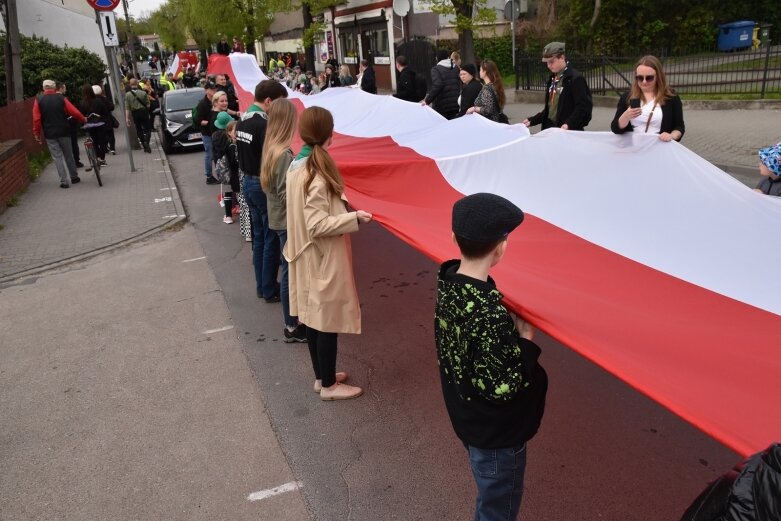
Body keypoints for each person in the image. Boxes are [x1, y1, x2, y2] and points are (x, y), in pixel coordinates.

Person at [435, 192, 548, 521]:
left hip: (467, 418)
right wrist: (525, 340)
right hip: (495, 435)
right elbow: (503, 387)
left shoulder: (449, 284)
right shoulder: (488, 313)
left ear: (454, 238)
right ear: (501, 247)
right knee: (497, 506)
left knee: (491, 493)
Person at [284, 106, 373, 400]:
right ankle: (330, 387)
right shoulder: (316, 173)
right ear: (328, 134)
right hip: (320, 255)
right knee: (326, 321)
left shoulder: (297, 165)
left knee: (313, 318)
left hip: (304, 253)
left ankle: (322, 377)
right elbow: (318, 224)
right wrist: (354, 217)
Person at [236, 80, 288, 302]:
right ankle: (268, 288)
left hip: (247, 180)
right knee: (270, 239)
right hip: (261, 183)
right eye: (278, 103)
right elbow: (271, 158)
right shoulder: (263, 124)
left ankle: (261, 284)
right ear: (268, 101)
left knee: (258, 238)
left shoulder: (243, 120)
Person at [260, 99, 307, 343]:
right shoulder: (284, 155)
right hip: (287, 221)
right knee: (290, 272)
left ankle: (292, 321)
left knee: (287, 268)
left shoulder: (272, 149)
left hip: (278, 219)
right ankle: (291, 325)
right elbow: (285, 193)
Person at [610, 55, 685, 142]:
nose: (644, 81)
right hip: (632, 150)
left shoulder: (671, 97)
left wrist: (671, 136)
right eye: (640, 78)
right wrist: (625, 116)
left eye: (649, 78)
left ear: (658, 77)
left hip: (659, 148)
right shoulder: (627, 97)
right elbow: (615, 129)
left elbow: (679, 127)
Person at [523, 42, 592, 131]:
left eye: (551, 62)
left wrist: (569, 124)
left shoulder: (575, 79)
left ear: (562, 57)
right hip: (551, 128)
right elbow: (550, 109)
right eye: (547, 63)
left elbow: (582, 108)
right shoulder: (553, 78)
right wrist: (532, 120)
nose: (548, 66)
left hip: (568, 131)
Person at [32, 79, 86, 188]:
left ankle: (64, 181)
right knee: (68, 155)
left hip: (50, 133)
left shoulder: (39, 100)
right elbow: (73, 111)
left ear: (43, 88)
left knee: (57, 157)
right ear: (54, 88)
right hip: (64, 131)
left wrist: (36, 134)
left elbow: (36, 119)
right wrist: (83, 119)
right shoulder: (61, 98)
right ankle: (74, 177)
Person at [212, 112, 240, 223]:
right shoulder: (230, 141)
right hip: (233, 169)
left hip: (223, 169)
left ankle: (228, 216)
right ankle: (238, 207)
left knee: (227, 192)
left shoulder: (215, 136)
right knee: (237, 190)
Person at [423, 49, 461, 120]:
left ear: (437, 58)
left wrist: (427, 101)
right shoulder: (456, 68)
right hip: (455, 105)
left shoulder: (436, 69)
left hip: (442, 107)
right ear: (448, 57)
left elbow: (438, 85)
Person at [80, 84, 111, 165]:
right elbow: (105, 113)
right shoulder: (98, 101)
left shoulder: (82, 103)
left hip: (89, 126)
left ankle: (97, 157)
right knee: (102, 141)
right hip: (100, 124)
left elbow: (81, 115)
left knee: (94, 142)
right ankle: (102, 158)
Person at [56, 81, 84, 168]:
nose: (65, 89)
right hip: (69, 123)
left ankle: (67, 164)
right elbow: (73, 111)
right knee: (73, 143)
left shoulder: (50, 99)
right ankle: (76, 161)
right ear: (60, 88)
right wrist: (81, 119)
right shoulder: (63, 99)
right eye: (64, 88)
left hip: (58, 126)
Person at [194, 81, 218, 184]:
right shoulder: (202, 104)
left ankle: (221, 174)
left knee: (217, 154)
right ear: (206, 90)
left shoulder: (215, 101)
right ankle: (209, 176)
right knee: (209, 154)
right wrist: (211, 123)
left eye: (215, 89)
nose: (214, 91)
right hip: (207, 134)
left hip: (216, 133)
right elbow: (199, 121)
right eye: (212, 89)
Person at [124, 77, 152, 153]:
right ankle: (147, 142)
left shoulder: (127, 95)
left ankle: (143, 143)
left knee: (139, 129)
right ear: (137, 84)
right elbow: (148, 105)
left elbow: (127, 108)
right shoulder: (143, 93)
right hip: (143, 112)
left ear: (130, 85)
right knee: (147, 129)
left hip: (135, 113)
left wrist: (127, 118)